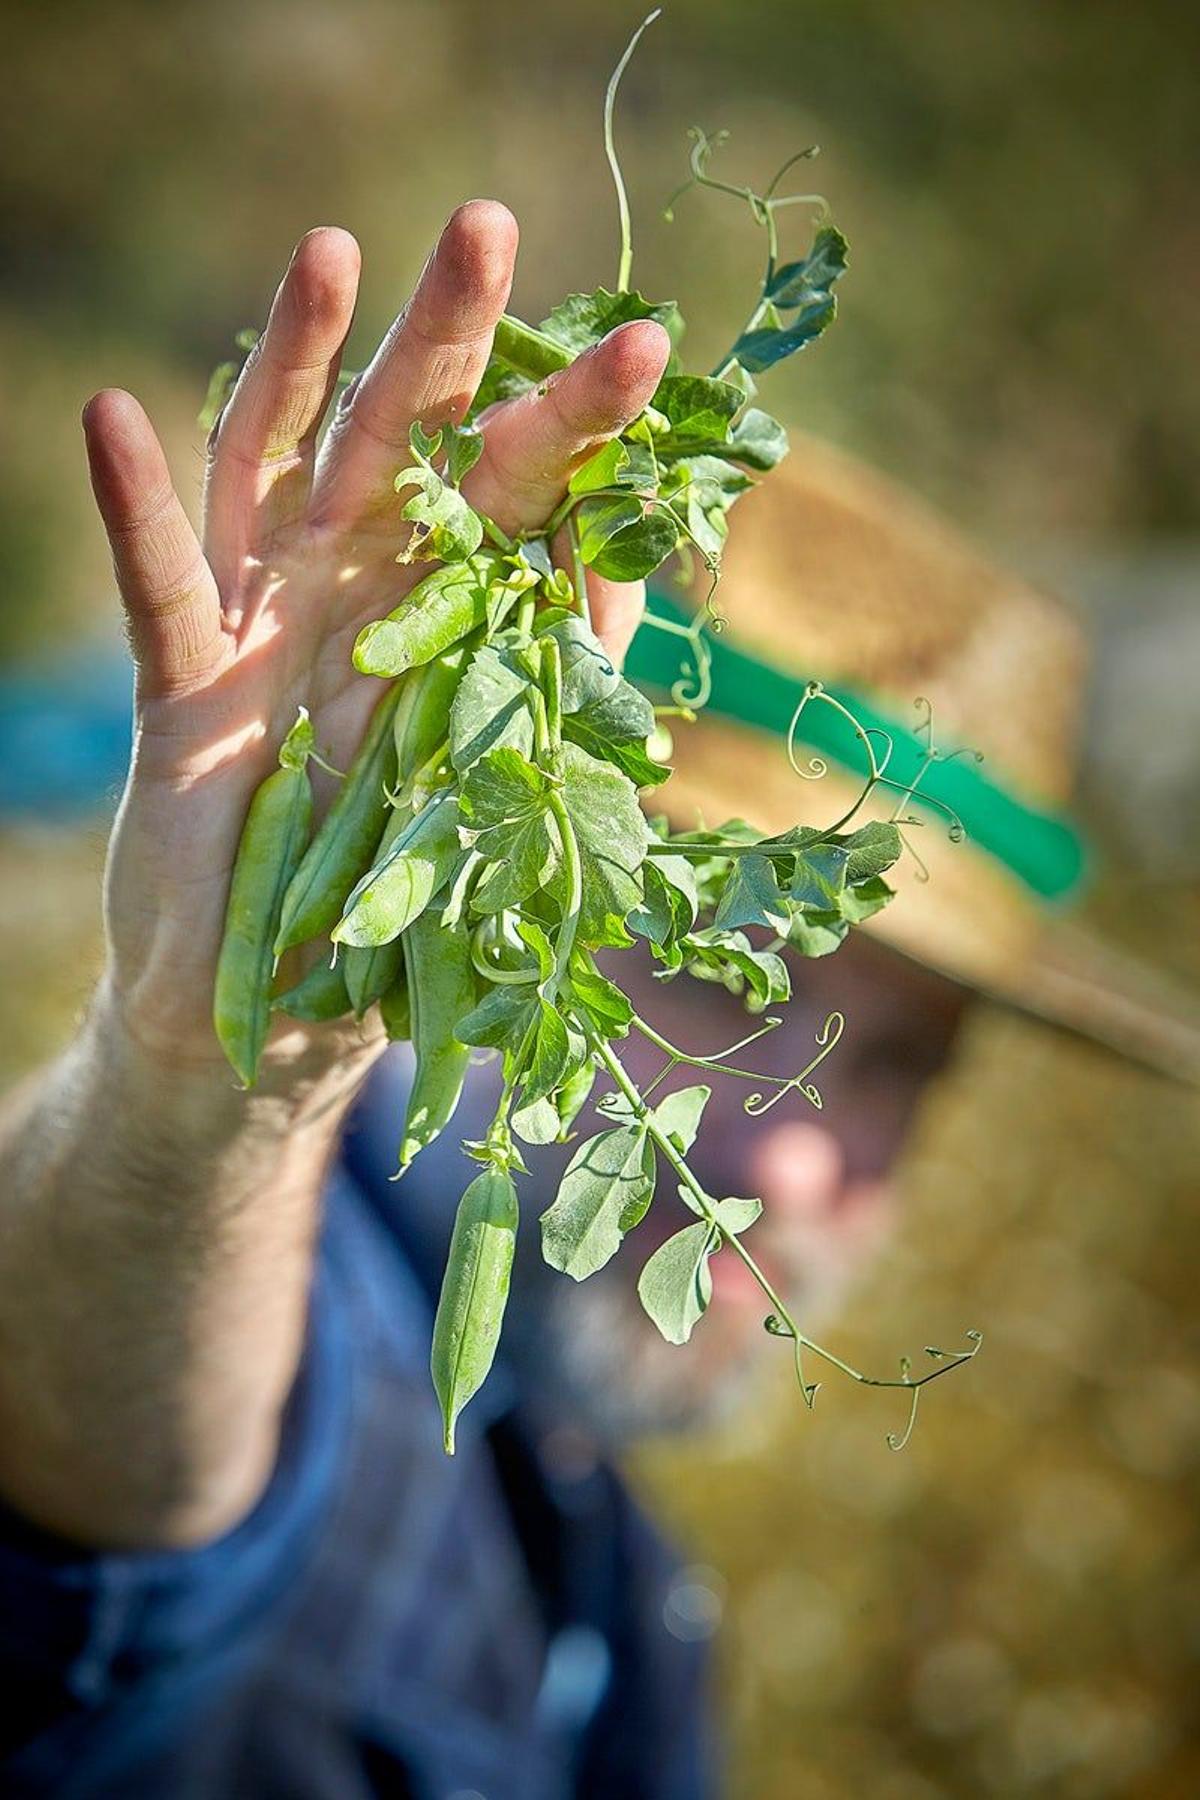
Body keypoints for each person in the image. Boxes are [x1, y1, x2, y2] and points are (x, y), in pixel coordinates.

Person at [0, 202, 1185, 1800]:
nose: (787, 1160)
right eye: (726, 973)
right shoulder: (293, 1311)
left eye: (898, 1068)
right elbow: (110, 1492)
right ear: (504, 888)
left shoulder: (615, 1573)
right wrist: (201, 1099)